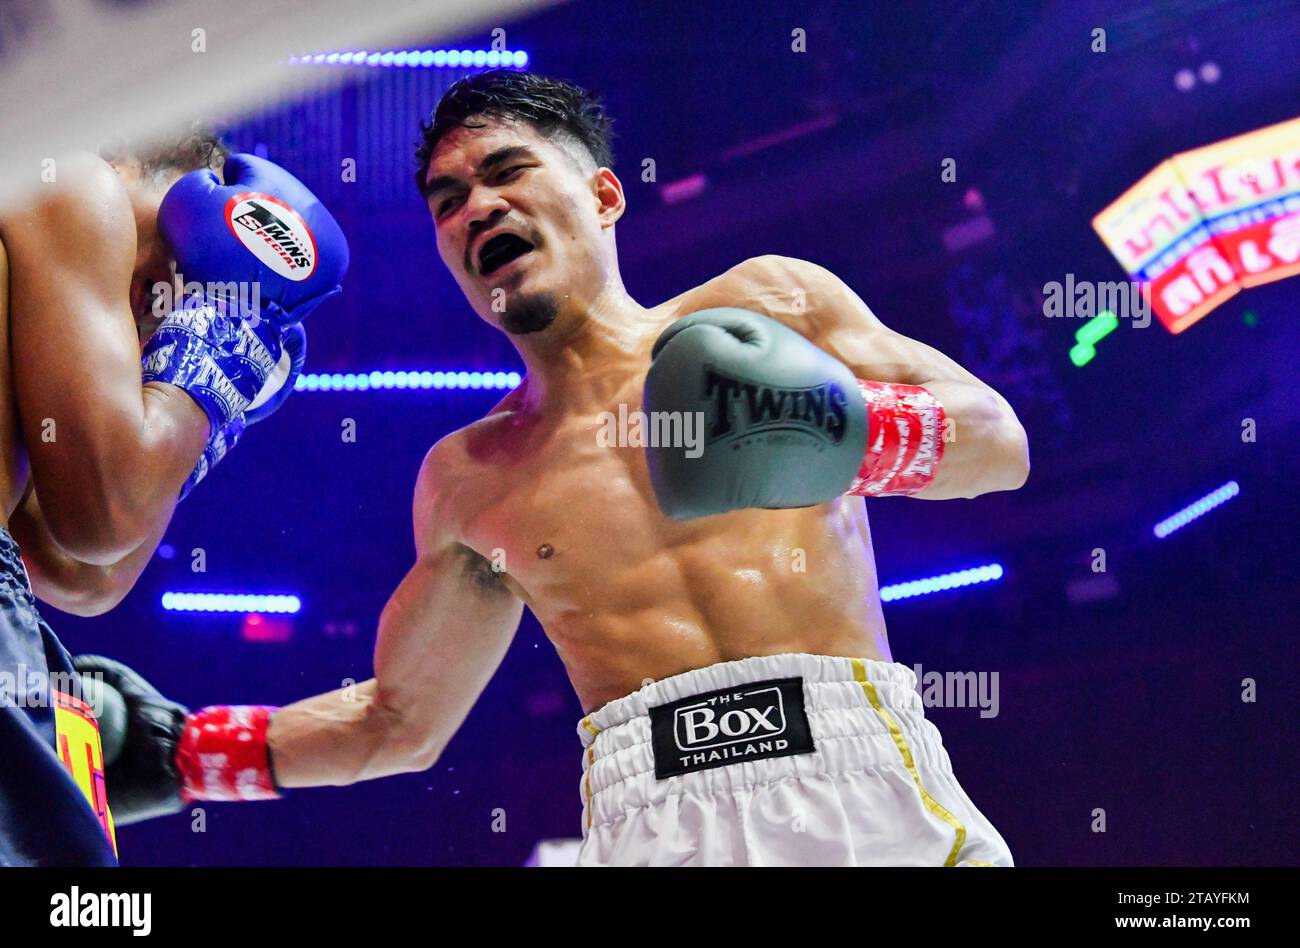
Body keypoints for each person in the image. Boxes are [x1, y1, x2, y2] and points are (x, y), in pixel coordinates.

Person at [89, 70, 1027, 866]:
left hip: (866, 780)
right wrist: (184, 756)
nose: (477, 208)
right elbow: (396, 721)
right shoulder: (469, 477)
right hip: (652, 823)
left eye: (506, 173)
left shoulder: (774, 301)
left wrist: (849, 426)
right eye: (449, 202)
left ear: (605, 197)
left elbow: (999, 444)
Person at [0, 130, 348, 865]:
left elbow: (84, 571)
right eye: (179, 268)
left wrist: (205, 384)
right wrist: (231, 322)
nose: (158, 305)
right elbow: (108, 515)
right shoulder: (65, 170)